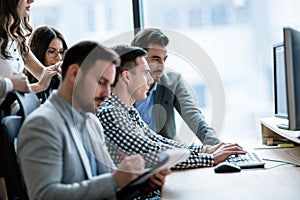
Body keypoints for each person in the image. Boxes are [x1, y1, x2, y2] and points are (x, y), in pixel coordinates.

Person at [17, 41, 170, 200]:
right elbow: (46, 196)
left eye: (110, 85)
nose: (107, 94)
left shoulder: (91, 121)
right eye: (101, 82)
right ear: (75, 74)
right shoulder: (42, 125)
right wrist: (114, 181)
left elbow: (105, 184)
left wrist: (140, 184)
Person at [97, 44, 246, 170]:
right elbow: (156, 154)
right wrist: (210, 159)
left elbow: (159, 141)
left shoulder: (127, 111)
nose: (150, 80)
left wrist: (205, 149)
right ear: (127, 76)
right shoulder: (111, 113)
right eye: (145, 73)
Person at [131, 28, 220, 150]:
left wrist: (217, 146)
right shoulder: (122, 86)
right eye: (156, 59)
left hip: (169, 153)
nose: (162, 66)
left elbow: (194, 116)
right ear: (139, 59)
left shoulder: (173, 82)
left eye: (164, 59)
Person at [0, 0, 59, 105]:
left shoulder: (17, 38)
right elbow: (15, 87)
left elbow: (42, 73)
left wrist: (59, 69)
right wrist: (37, 87)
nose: (31, 1)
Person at [24, 26, 68, 103]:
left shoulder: (63, 83)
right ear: (38, 52)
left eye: (61, 52)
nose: (59, 58)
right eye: (51, 51)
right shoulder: (23, 85)